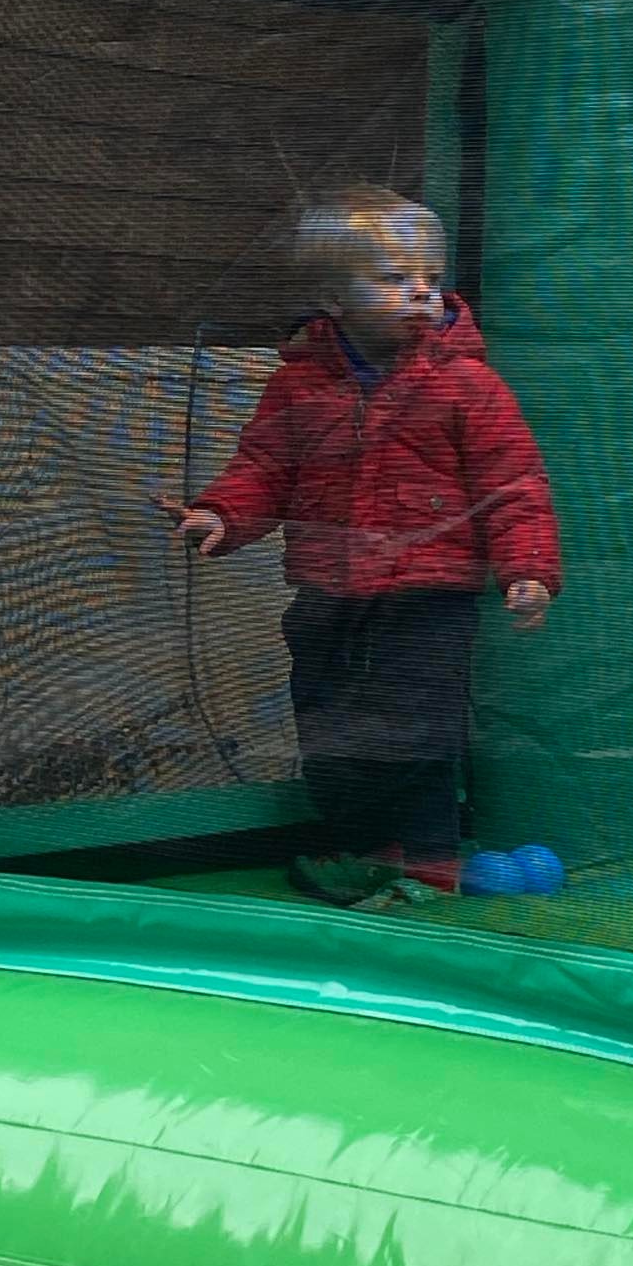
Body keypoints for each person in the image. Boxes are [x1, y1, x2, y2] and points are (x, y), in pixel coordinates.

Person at [168, 184, 561, 906]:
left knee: (415, 730)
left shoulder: (466, 385)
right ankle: (370, 848)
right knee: (328, 728)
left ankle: (433, 860)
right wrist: (222, 516)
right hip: (328, 594)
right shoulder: (298, 386)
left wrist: (526, 569)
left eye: (431, 279)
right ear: (334, 297)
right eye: (393, 279)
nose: (420, 293)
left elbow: (514, 484)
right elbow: (262, 469)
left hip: (427, 598)